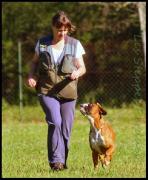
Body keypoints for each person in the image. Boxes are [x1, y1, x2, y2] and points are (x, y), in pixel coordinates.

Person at [28, 11, 86, 171]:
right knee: (55, 122)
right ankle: (56, 162)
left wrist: (77, 72)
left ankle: (62, 161)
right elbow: (33, 62)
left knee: (66, 130)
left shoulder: (74, 44)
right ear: (53, 27)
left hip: (68, 93)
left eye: (65, 30)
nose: (62, 33)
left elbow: (82, 67)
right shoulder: (43, 43)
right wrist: (31, 76)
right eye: (59, 29)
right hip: (47, 91)